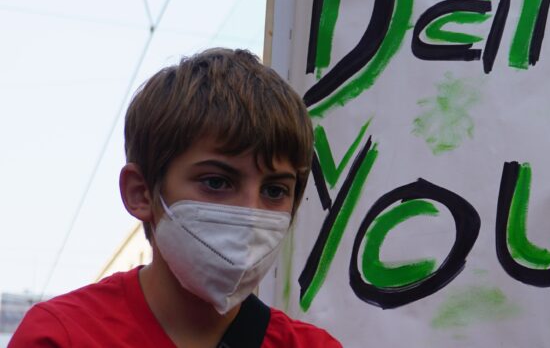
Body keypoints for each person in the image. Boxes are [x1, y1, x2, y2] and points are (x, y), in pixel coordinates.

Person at [11, 48, 340, 347]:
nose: (250, 212)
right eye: (216, 182)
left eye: (274, 190)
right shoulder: (61, 337)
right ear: (140, 193)